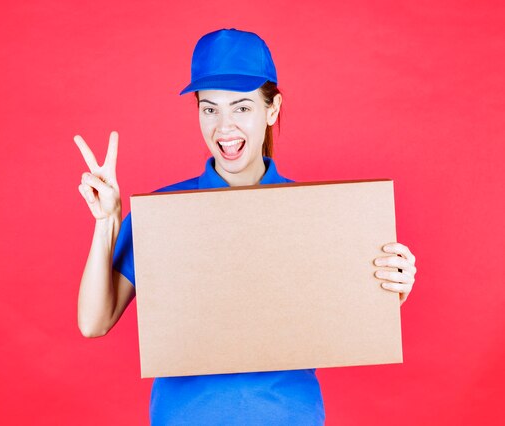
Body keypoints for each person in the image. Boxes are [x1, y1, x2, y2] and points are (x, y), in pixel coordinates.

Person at [74, 28, 417, 426]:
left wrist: (390, 289)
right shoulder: (165, 213)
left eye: (241, 108)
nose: (224, 127)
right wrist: (106, 223)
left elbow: (349, 313)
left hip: (288, 416)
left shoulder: (317, 214)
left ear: (271, 110)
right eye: (210, 109)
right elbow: (93, 322)